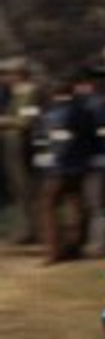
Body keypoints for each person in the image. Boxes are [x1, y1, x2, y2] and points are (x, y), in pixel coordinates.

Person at [34, 76, 98, 263]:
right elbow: (91, 139)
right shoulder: (85, 111)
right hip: (81, 165)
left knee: (47, 206)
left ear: (55, 93)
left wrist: (48, 162)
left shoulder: (57, 114)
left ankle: (53, 250)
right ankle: (75, 245)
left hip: (60, 167)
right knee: (76, 204)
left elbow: (58, 142)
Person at [0, 59, 41, 245]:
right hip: (10, 145)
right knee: (17, 189)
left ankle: (31, 229)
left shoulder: (32, 93)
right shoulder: (14, 94)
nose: (6, 78)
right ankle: (24, 229)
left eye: (9, 74)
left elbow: (27, 121)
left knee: (25, 188)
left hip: (22, 146)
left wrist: (5, 121)